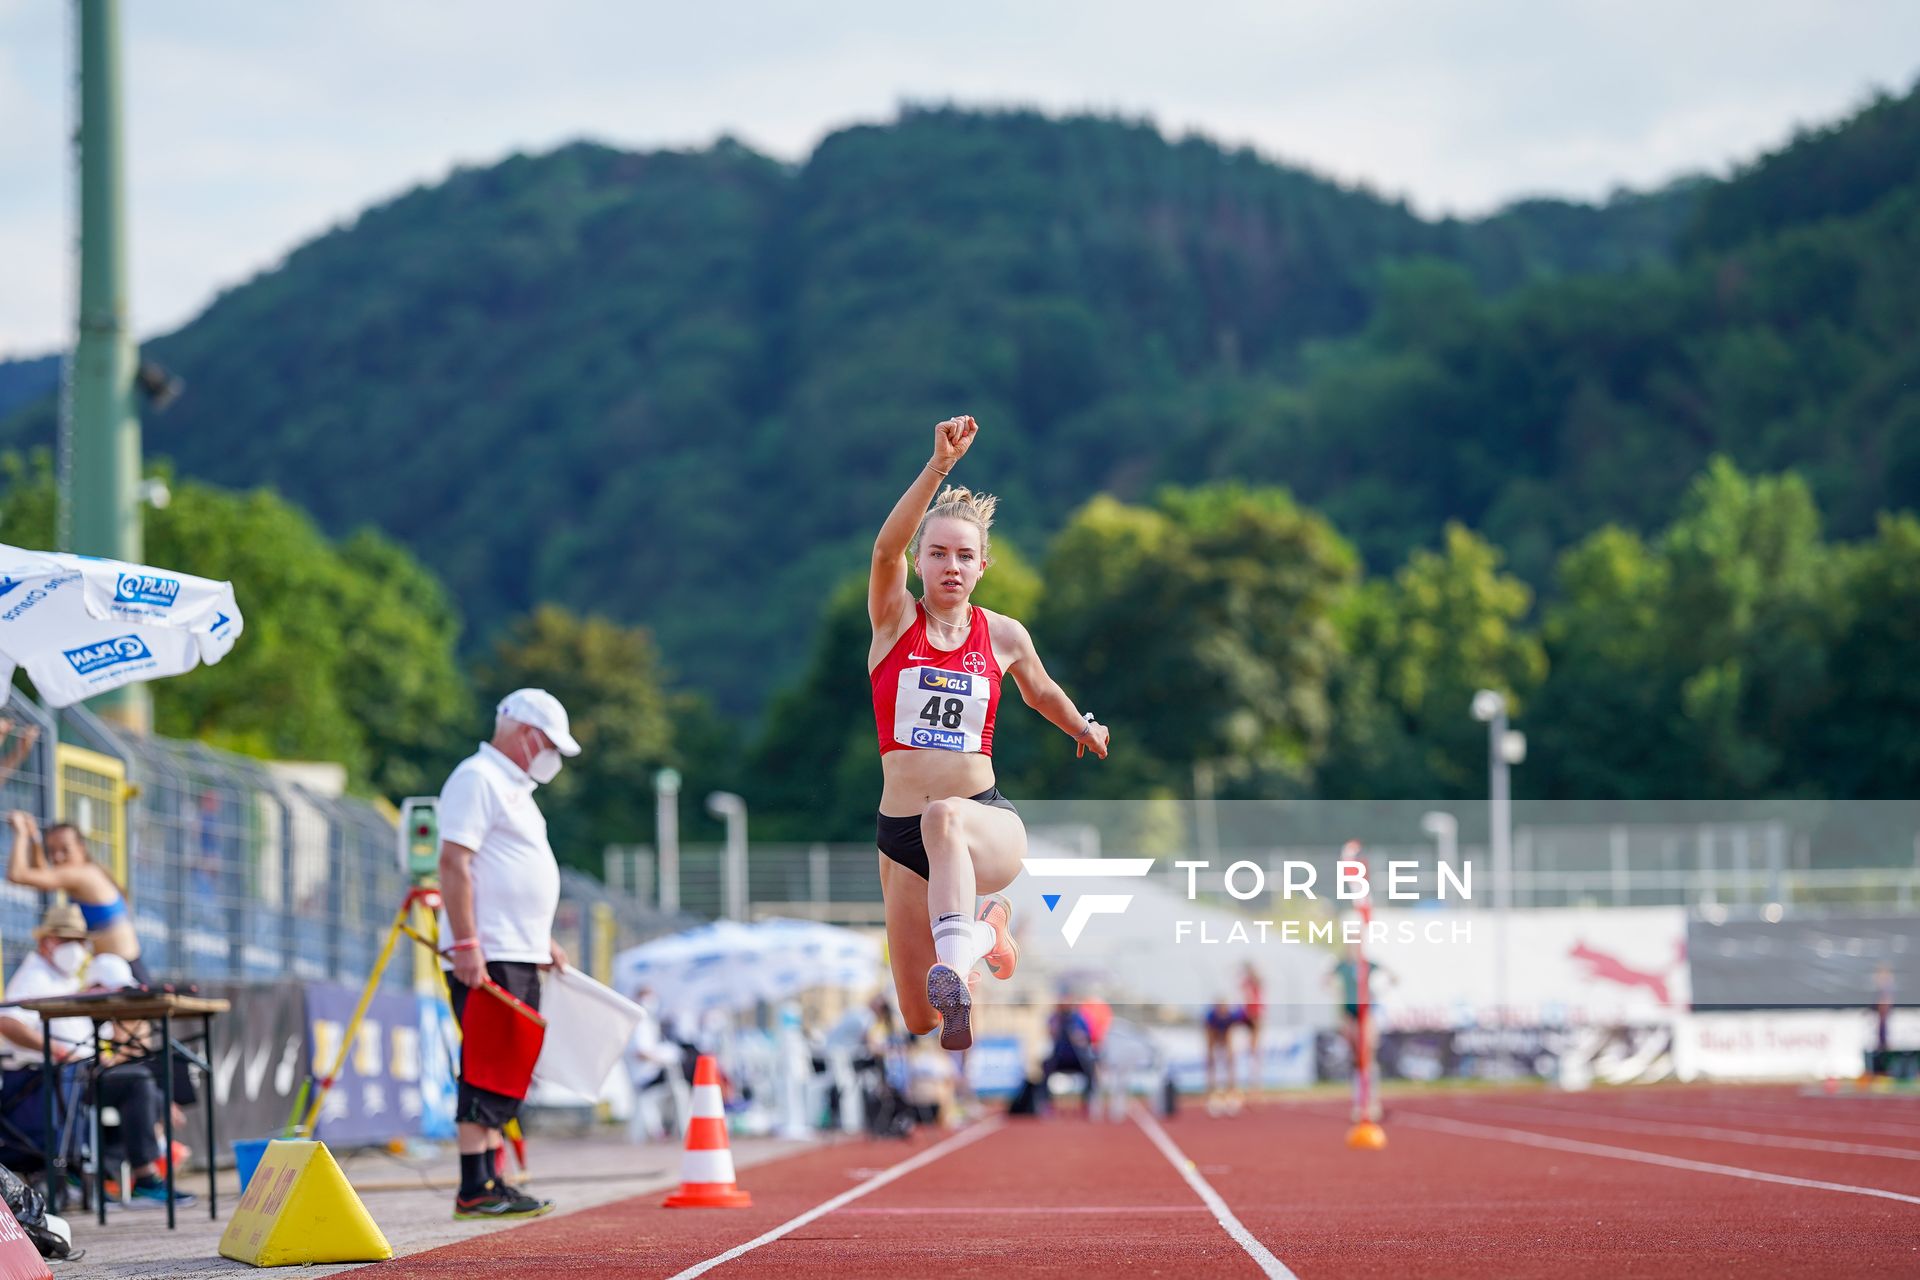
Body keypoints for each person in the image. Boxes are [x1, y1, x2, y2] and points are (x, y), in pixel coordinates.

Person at [868, 415, 1109, 1049]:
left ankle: (960, 960)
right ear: (920, 562)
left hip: (981, 821)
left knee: (945, 815)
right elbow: (882, 550)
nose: (951, 565)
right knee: (919, 1018)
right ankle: (985, 933)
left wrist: (1081, 726)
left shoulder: (1002, 635)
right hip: (900, 836)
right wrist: (938, 465)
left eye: (965, 556)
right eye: (939, 552)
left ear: (982, 568)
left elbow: (1040, 690)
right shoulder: (894, 623)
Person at [437, 689, 579, 1222]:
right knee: (487, 1064)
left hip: (516, 948)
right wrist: (467, 942)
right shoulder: (478, 778)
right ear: (525, 734)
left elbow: (510, 871)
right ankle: (474, 1184)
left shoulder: (513, 787)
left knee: (508, 1065)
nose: (554, 759)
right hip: (490, 952)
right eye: (550, 746)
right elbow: (455, 862)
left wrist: (538, 935)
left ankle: (491, 1178)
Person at [0, 906, 189, 1207]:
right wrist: (52, 1048)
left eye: (79, 940)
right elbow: (7, 1021)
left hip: (77, 1075)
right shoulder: (34, 975)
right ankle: (141, 1177)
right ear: (46, 941)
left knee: (147, 1088)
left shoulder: (64, 978)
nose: (75, 948)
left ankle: (118, 1177)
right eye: (66, 940)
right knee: (137, 1083)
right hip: (48, 1081)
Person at [6, 813, 148, 983]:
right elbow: (44, 874)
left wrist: (20, 833)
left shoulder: (81, 874)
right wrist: (34, 838)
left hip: (123, 972)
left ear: (81, 847)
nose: (57, 857)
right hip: (118, 969)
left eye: (65, 849)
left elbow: (17, 875)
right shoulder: (86, 871)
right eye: (51, 851)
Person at [1329, 938, 1390, 1123]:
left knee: (1368, 1054)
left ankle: (1373, 1102)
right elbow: (1328, 982)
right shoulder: (1342, 965)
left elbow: (1392, 975)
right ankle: (1359, 1103)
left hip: (1366, 1012)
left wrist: (1380, 991)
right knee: (1357, 1058)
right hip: (1350, 1013)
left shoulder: (1367, 964)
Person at [1203, 1001, 1240, 1115]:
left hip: (1226, 1034)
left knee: (1230, 1061)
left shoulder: (1231, 1017)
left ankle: (1231, 1093)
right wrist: (1210, 1054)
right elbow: (1210, 1036)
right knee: (1211, 1062)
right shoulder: (1211, 1017)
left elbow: (1230, 1035)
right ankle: (1212, 1093)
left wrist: (1230, 1054)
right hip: (1213, 1033)